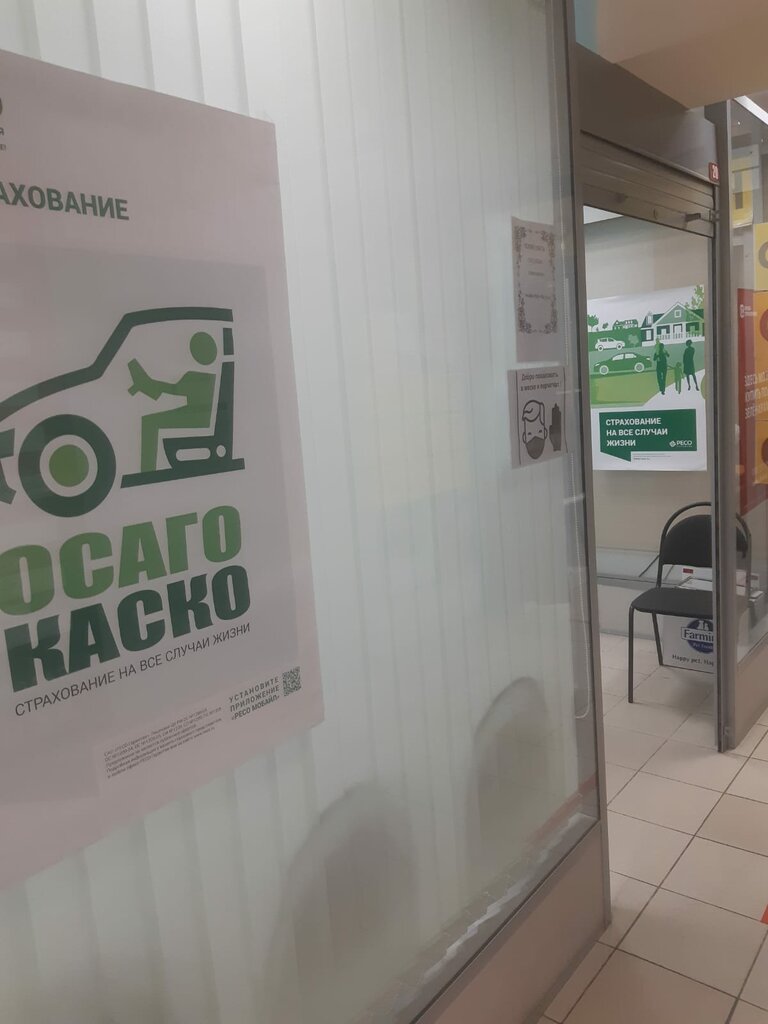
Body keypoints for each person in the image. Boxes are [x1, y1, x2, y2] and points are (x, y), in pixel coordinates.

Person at [129, 331, 218, 473]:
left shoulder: (198, 376)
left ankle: (148, 470)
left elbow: (173, 390)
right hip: (196, 413)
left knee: (150, 422)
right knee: (150, 421)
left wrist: (148, 384)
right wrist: (148, 384)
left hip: (196, 416)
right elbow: (173, 389)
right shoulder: (203, 374)